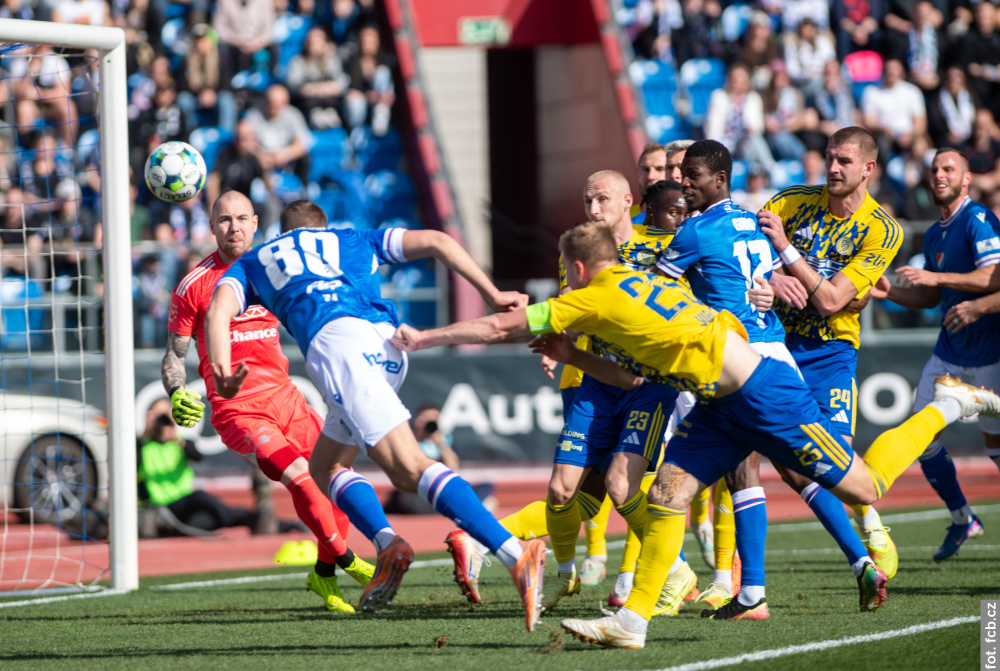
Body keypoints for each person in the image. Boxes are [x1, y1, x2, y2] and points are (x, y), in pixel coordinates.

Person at [391, 221, 1000, 649]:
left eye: (565, 269)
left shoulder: (591, 296)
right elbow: (626, 372)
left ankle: (946, 405)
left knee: (865, 489)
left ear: (576, 267)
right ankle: (632, 622)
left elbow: (502, 326)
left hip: (761, 396)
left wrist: (425, 338)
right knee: (665, 497)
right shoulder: (632, 285)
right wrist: (572, 351)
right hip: (717, 399)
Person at [203, 199, 548, 630]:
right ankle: (388, 544)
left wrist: (221, 372)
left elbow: (218, 311)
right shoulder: (353, 239)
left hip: (339, 345)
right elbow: (439, 241)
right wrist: (492, 294)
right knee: (326, 466)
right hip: (390, 346)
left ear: (279, 232)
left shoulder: (256, 260)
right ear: (322, 227)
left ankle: (515, 553)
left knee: (408, 469)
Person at [162, 191, 372, 614]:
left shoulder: (275, 271)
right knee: (301, 477)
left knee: (338, 480)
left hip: (286, 397)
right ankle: (352, 562)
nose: (233, 227)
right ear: (212, 227)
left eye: (241, 218)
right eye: (224, 220)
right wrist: (177, 390)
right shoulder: (194, 285)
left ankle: (324, 576)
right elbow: (174, 356)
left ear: (256, 224)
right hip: (238, 407)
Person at [758, 126, 903, 599]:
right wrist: (769, 279)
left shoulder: (883, 228)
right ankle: (859, 563)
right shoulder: (792, 200)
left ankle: (867, 512)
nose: (833, 167)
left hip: (831, 353)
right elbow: (744, 253)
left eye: (843, 160)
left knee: (834, 466)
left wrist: (785, 252)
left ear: (869, 168)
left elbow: (834, 300)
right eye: (829, 158)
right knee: (790, 465)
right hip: (778, 347)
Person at [869, 148, 1000, 561]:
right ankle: (963, 518)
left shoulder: (977, 220)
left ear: (966, 180)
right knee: (922, 440)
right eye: (935, 169)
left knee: (995, 449)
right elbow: (930, 296)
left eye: (949, 169)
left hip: (988, 354)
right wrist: (890, 292)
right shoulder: (936, 232)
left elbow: (993, 276)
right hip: (948, 353)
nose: (939, 175)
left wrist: (943, 280)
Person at [138, 398, 301, 535]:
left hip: (184, 505)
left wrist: (174, 436)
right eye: (158, 417)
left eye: (167, 415)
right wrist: (146, 430)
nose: (163, 421)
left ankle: (279, 525)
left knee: (206, 521)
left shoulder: (181, 442)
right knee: (202, 497)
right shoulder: (141, 446)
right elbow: (135, 463)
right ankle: (268, 522)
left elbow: (197, 456)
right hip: (161, 507)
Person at [383, 404, 497, 514]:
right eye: (425, 419)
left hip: (439, 491)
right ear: (417, 420)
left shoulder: (446, 442)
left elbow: (453, 469)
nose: (429, 422)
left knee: (485, 487)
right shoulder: (407, 440)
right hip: (416, 494)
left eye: (433, 419)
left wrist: (441, 444)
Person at [629, 142, 667, 222]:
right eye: (645, 169)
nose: (650, 176)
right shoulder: (624, 217)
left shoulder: (685, 220)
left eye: (660, 169)